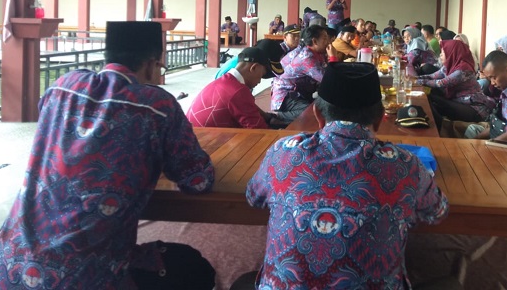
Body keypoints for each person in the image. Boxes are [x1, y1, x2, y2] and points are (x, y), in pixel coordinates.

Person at [0, 21, 216, 289]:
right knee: (192, 268)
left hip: (7, 262)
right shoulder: (157, 105)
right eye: (160, 66)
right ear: (151, 64)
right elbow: (197, 181)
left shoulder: (62, 86)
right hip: (84, 276)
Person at [239, 62, 449, 289]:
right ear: (380, 118)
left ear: (318, 115)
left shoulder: (283, 152)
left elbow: (253, 197)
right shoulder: (405, 165)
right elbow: (437, 212)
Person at [186, 47, 277, 129]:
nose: (259, 81)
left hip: (191, 135)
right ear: (254, 68)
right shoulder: (238, 91)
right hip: (203, 140)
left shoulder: (223, 81)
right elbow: (259, 130)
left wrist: (268, 117)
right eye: (261, 75)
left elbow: (250, 110)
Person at [417, 40, 495, 131]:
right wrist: (415, 78)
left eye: (443, 52)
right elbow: (432, 76)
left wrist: (418, 81)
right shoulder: (450, 66)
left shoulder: (463, 70)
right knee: (433, 96)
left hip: (474, 108)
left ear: (452, 52)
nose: (440, 55)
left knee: (434, 97)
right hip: (459, 101)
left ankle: (440, 129)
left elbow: (440, 83)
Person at [271, 25, 330, 123]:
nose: (328, 42)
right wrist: (333, 58)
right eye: (325, 39)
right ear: (314, 41)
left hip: (300, 92)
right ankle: (279, 116)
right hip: (286, 96)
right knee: (314, 114)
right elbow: (327, 80)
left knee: (323, 106)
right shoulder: (307, 58)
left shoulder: (315, 52)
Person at [214, 38, 285, 79]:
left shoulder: (242, 63)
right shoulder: (234, 74)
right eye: (263, 73)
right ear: (255, 66)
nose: (259, 81)